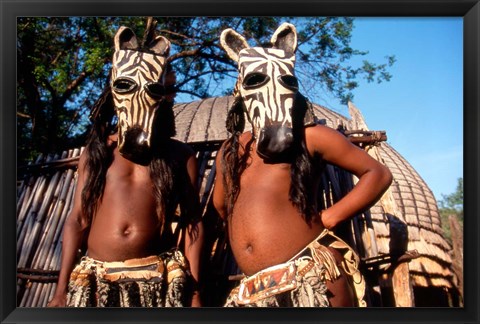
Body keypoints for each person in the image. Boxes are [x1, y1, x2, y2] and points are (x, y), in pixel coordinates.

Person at [213, 22, 392, 307]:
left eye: (285, 81)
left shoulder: (310, 137)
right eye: (255, 81)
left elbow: (378, 173)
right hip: (255, 291)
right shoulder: (231, 150)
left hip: (311, 277)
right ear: (241, 89)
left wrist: (331, 216)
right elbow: (222, 206)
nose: (271, 90)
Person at [48, 23, 203, 308]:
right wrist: (61, 289)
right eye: (128, 87)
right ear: (115, 92)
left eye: (161, 90)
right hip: (98, 281)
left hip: (157, 280)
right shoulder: (99, 153)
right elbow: (78, 219)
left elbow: (193, 222)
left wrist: (193, 291)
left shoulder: (179, 155)